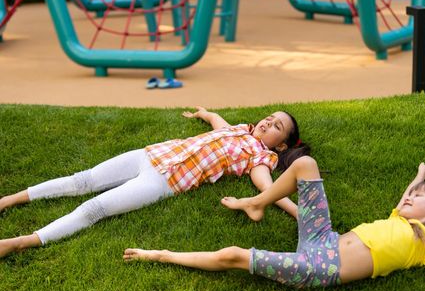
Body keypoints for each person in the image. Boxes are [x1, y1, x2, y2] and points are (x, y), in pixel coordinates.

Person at [124, 157, 425, 291]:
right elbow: (408, 193)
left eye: (418, 197)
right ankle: (255, 204)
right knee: (306, 166)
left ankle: (159, 254)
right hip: (321, 238)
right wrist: (419, 175)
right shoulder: (399, 216)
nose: (407, 198)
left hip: (320, 269)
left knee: (234, 256)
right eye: (409, 195)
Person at [0, 107, 309, 258]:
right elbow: (217, 121)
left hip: (163, 181)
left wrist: (301, 214)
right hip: (150, 155)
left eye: (276, 126)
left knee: (94, 208)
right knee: (83, 179)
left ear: (280, 146)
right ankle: (10, 199)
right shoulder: (239, 129)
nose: (268, 123)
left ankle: (22, 241)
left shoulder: (258, 158)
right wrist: (203, 112)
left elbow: (268, 189)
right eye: (269, 118)